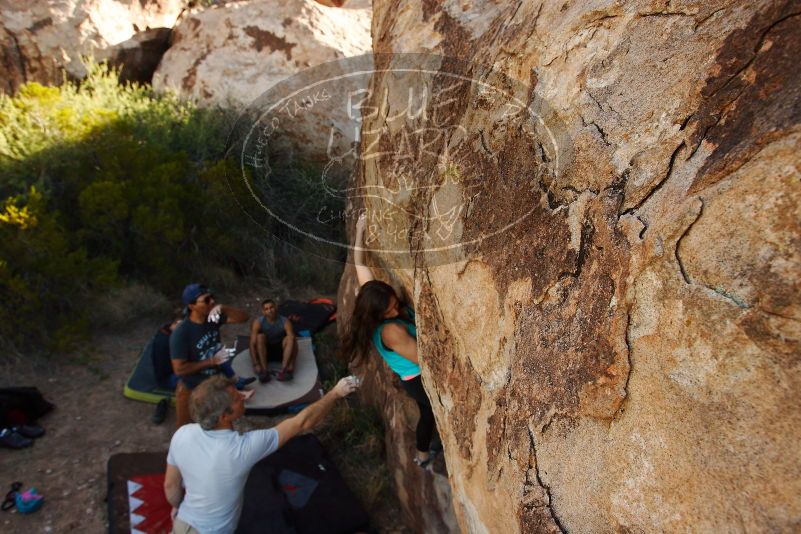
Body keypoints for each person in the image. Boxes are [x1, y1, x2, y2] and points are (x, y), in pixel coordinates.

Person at [164, 374, 359, 534]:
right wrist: (335, 393)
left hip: (182, 525)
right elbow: (301, 423)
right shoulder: (241, 449)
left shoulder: (182, 434)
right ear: (224, 416)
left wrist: (177, 507)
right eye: (236, 398)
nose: (242, 397)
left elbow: (171, 486)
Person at [339, 213, 438, 468]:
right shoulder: (389, 331)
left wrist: (360, 230)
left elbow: (360, 264)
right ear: (378, 316)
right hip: (416, 377)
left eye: (395, 304)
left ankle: (424, 452)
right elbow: (423, 359)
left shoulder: (373, 296)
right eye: (391, 311)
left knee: (428, 413)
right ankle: (423, 455)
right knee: (429, 413)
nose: (396, 310)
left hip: (409, 373)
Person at [170, 284, 255, 429]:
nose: (212, 302)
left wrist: (223, 308)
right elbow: (179, 369)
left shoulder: (213, 318)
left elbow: (244, 317)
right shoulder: (182, 333)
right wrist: (211, 361)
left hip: (215, 386)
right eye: (207, 300)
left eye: (213, 298)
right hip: (191, 388)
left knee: (221, 424)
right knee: (184, 428)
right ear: (191, 306)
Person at [249, 299, 298, 383]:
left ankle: (284, 370)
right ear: (263, 311)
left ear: (276, 308)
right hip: (265, 352)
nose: (270, 310)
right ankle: (265, 371)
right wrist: (256, 364)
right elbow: (252, 344)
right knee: (259, 337)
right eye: (266, 309)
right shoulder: (258, 322)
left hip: (281, 352)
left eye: (271, 307)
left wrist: (292, 362)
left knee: (291, 338)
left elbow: (293, 342)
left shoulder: (285, 321)